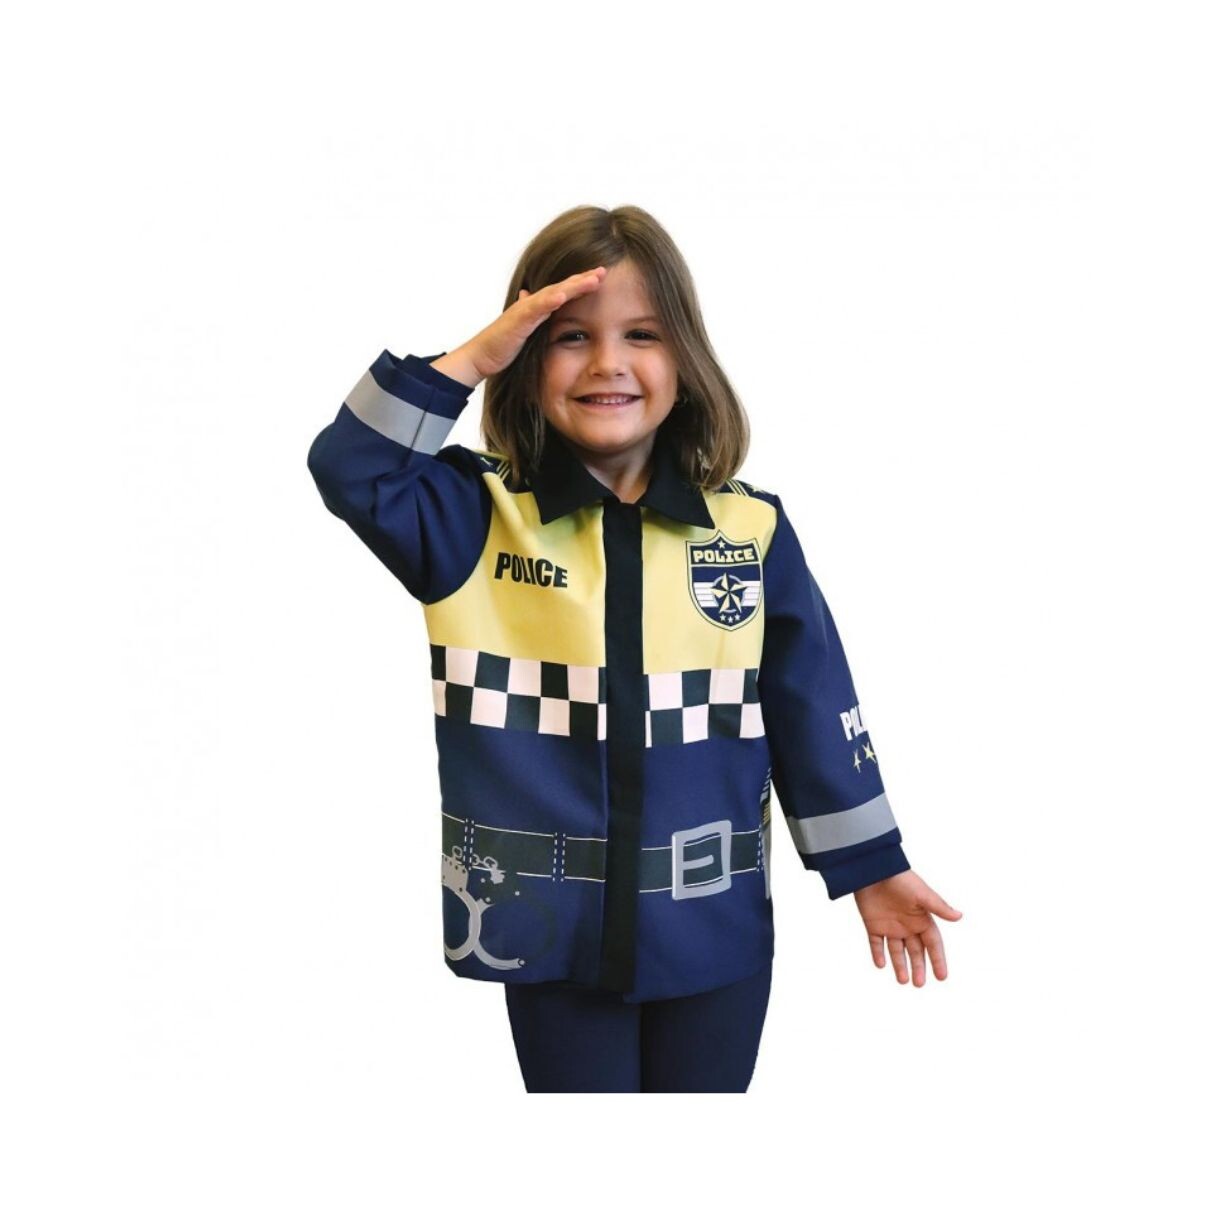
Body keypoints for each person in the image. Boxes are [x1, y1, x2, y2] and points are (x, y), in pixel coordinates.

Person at [306, 204, 962, 1093]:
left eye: (641, 335)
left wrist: (871, 867)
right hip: (544, 932)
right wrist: (471, 359)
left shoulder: (749, 530)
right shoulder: (470, 517)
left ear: (685, 363)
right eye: (569, 336)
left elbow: (810, 708)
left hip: (712, 928)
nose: (607, 362)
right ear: (525, 357)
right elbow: (349, 467)